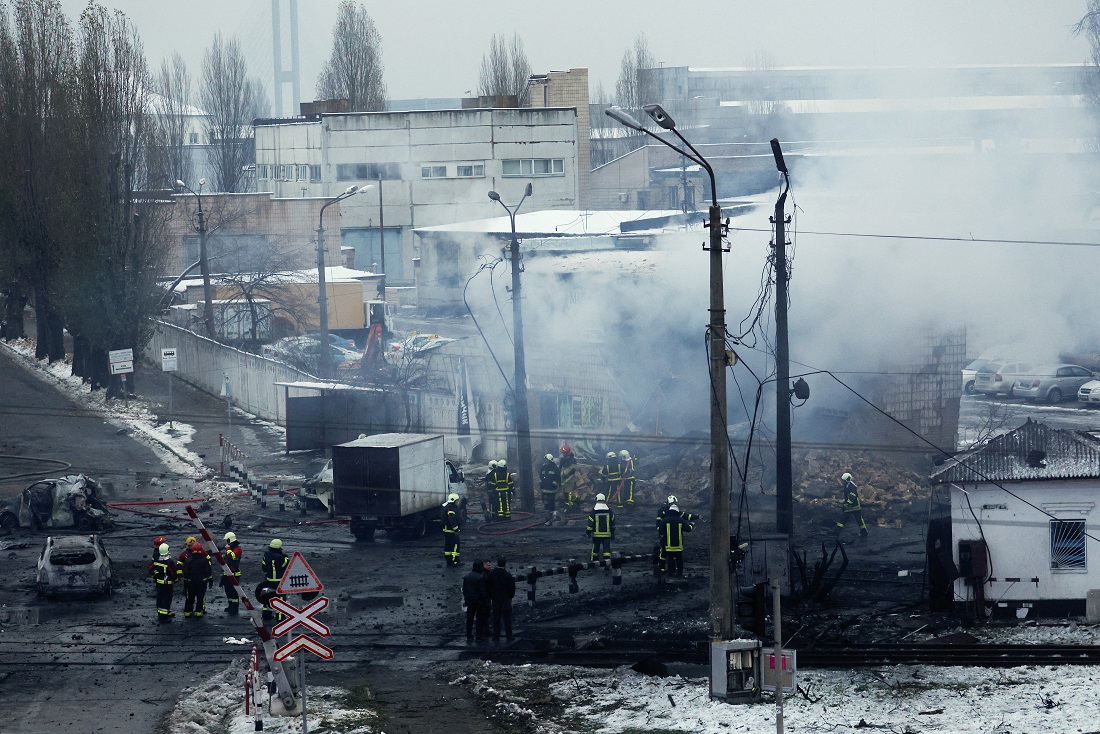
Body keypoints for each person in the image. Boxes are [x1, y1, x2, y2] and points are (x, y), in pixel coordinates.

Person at [657, 500, 696, 576]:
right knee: (679, 560)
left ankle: (670, 573)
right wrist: (692, 524)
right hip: (679, 546)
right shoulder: (680, 520)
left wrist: (662, 538)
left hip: (669, 546)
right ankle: (680, 574)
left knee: (670, 559)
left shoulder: (665, 520)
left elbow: (660, 530)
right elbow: (688, 529)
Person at [485, 556, 516, 642]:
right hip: (506, 600)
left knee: (496, 619)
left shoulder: (491, 574)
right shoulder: (507, 575)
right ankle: (509, 636)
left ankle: (496, 636)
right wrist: (510, 596)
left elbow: (488, 587)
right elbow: (512, 588)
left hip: (495, 600)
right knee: (507, 619)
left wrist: (492, 596)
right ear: (504, 565)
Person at [149, 542, 180, 623]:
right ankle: (163, 618)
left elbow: (151, 568)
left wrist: (154, 576)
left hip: (159, 583)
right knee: (166, 599)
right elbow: (173, 573)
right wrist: (176, 579)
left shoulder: (156, 560)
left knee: (160, 597)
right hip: (167, 584)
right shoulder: (169, 562)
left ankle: (161, 614)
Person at [261, 538, 289, 623]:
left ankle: (266, 615)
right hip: (279, 580)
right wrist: (285, 556)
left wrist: (266, 574)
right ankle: (279, 617)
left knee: (268, 596)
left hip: (269, 579)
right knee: (280, 598)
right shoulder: (281, 557)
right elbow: (286, 565)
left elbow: (264, 566)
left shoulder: (266, 554)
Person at [834, 472, 869, 539]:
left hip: (854, 506)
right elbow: (848, 496)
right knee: (845, 519)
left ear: (846, 480)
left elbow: (853, 497)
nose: (842, 481)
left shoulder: (851, 487)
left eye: (843, 480)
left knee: (857, 520)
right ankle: (836, 533)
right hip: (851, 506)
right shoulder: (847, 485)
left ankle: (864, 532)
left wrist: (847, 504)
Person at [182, 541, 213, 618]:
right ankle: (199, 612)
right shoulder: (204, 560)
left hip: (191, 583)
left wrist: (185, 584)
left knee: (190, 598)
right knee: (200, 598)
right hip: (201, 582)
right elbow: (208, 571)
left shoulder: (188, 560)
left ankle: (187, 612)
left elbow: (185, 572)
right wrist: (210, 580)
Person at [462, 559, 488, 642]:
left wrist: (467, 599)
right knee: (479, 619)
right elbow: (482, 591)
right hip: (479, 602)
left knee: (470, 618)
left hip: (470, 601)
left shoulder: (467, 577)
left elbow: (465, 590)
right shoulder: (481, 577)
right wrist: (486, 601)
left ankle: (469, 634)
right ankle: (478, 636)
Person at [586, 493, 615, 562]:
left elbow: (590, 523)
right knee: (607, 549)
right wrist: (612, 532)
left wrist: (588, 532)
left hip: (596, 535)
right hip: (607, 534)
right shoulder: (609, 510)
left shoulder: (594, 511)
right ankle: (607, 562)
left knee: (595, 549)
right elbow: (612, 522)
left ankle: (594, 561)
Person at [222, 531, 243, 615]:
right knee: (228, 590)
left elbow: (232, 556)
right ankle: (230, 605)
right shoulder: (232, 549)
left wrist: (227, 549)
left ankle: (234, 607)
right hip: (227, 573)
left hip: (235, 574)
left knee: (233, 592)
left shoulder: (238, 549)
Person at [442, 492, 462, 567]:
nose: (458, 502)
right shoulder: (451, 508)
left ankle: (449, 561)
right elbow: (452, 519)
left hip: (447, 531)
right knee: (455, 546)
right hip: (452, 531)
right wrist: (456, 529)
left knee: (448, 546)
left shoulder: (447, 507)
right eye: (457, 500)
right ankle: (455, 561)